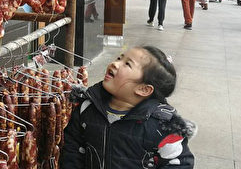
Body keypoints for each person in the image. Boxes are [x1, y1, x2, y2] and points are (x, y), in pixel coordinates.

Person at [60, 46, 196, 168]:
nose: (115, 63)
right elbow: (72, 147)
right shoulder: (87, 107)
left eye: (127, 64)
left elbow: (180, 163)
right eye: (119, 58)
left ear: (143, 89)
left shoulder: (161, 126)